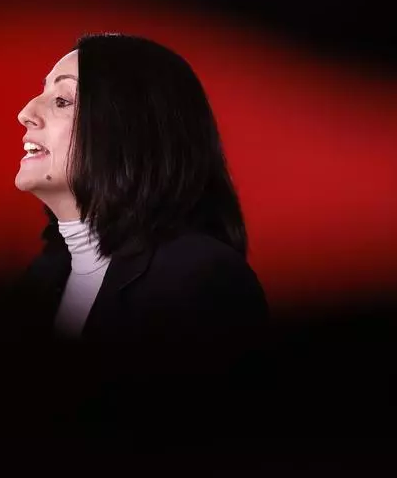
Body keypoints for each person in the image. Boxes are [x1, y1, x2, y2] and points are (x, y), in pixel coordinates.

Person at [14, 33, 268, 370]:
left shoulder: (200, 281)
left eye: (62, 100)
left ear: (130, 130)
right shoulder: (41, 278)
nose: (25, 113)